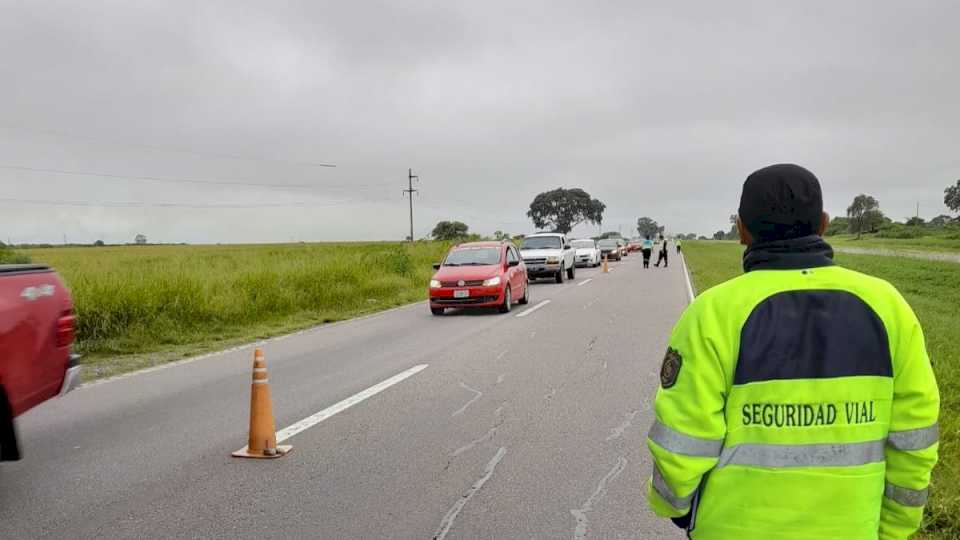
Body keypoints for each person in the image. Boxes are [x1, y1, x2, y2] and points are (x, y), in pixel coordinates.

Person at [645, 164, 939, 540]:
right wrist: (894, 527)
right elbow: (915, 437)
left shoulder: (712, 313)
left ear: (741, 230)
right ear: (824, 225)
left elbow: (683, 440)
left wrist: (675, 507)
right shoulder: (889, 307)